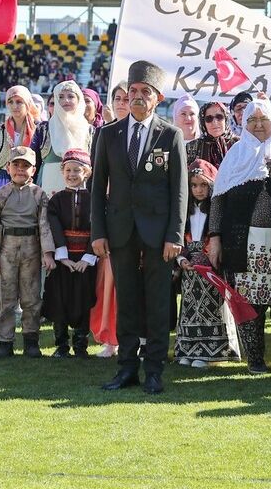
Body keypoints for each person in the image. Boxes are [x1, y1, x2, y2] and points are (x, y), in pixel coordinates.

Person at [90, 60, 187, 395]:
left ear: (157, 98)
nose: (137, 97)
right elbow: (97, 186)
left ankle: (155, 370)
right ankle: (127, 368)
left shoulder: (170, 135)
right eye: (133, 91)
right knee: (128, 301)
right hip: (119, 231)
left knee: (159, 302)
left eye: (145, 92)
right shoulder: (108, 134)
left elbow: (179, 191)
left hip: (159, 234)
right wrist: (98, 232)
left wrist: (175, 236)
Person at [208, 98, 271, 375]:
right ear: (244, 123)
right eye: (252, 120)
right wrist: (214, 238)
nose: (258, 125)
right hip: (243, 244)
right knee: (249, 305)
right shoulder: (235, 155)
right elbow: (218, 199)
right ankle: (255, 360)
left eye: (263, 119)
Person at [0, 145, 56, 358]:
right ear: (8, 167)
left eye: (26, 166)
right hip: (7, 248)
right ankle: (5, 341)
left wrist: (47, 253)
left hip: (31, 248)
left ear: (33, 170)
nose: (21, 170)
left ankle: (31, 340)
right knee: (5, 296)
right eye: (16, 165)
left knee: (31, 296)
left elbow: (44, 225)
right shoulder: (0, 195)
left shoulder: (39, 195)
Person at [175, 159, 238, 368]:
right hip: (189, 270)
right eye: (194, 185)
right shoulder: (183, 211)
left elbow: (220, 237)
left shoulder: (217, 211)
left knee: (211, 308)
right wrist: (182, 259)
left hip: (210, 267)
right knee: (189, 309)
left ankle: (211, 352)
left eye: (203, 185)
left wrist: (208, 256)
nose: (198, 190)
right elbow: (178, 237)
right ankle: (188, 349)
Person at [44, 148, 98, 358]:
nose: (72, 174)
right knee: (60, 300)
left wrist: (88, 256)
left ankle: (81, 344)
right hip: (63, 261)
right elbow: (54, 226)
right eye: (68, 170)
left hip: (85, 260)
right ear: (62, 171)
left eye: (77, 170)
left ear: (87, 173)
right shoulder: (56, 200)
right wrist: (63, 256)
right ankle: (62, 345)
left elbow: (97, 228)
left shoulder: (94, 199)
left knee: (83, 299)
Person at [31, 80, 92, 193]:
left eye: (71, 96)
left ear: (79, 100)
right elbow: (34, 161)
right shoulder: (43, 129)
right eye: (61, 97)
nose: (66, 101)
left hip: (81, 188)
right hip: (49, 186)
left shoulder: (89, 130)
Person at [0, 85, 40, 189]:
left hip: (31, 181)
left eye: (19, 102)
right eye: (10, 102)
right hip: (4, 181)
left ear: (27, 103)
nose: (14, 106)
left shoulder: (38, 129)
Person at [189, 101, 239, 167]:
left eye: (219, 117)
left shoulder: (239, 144)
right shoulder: (192, 147)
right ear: (203, 122)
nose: (215, 122)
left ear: (226, 119)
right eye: (209, 118)